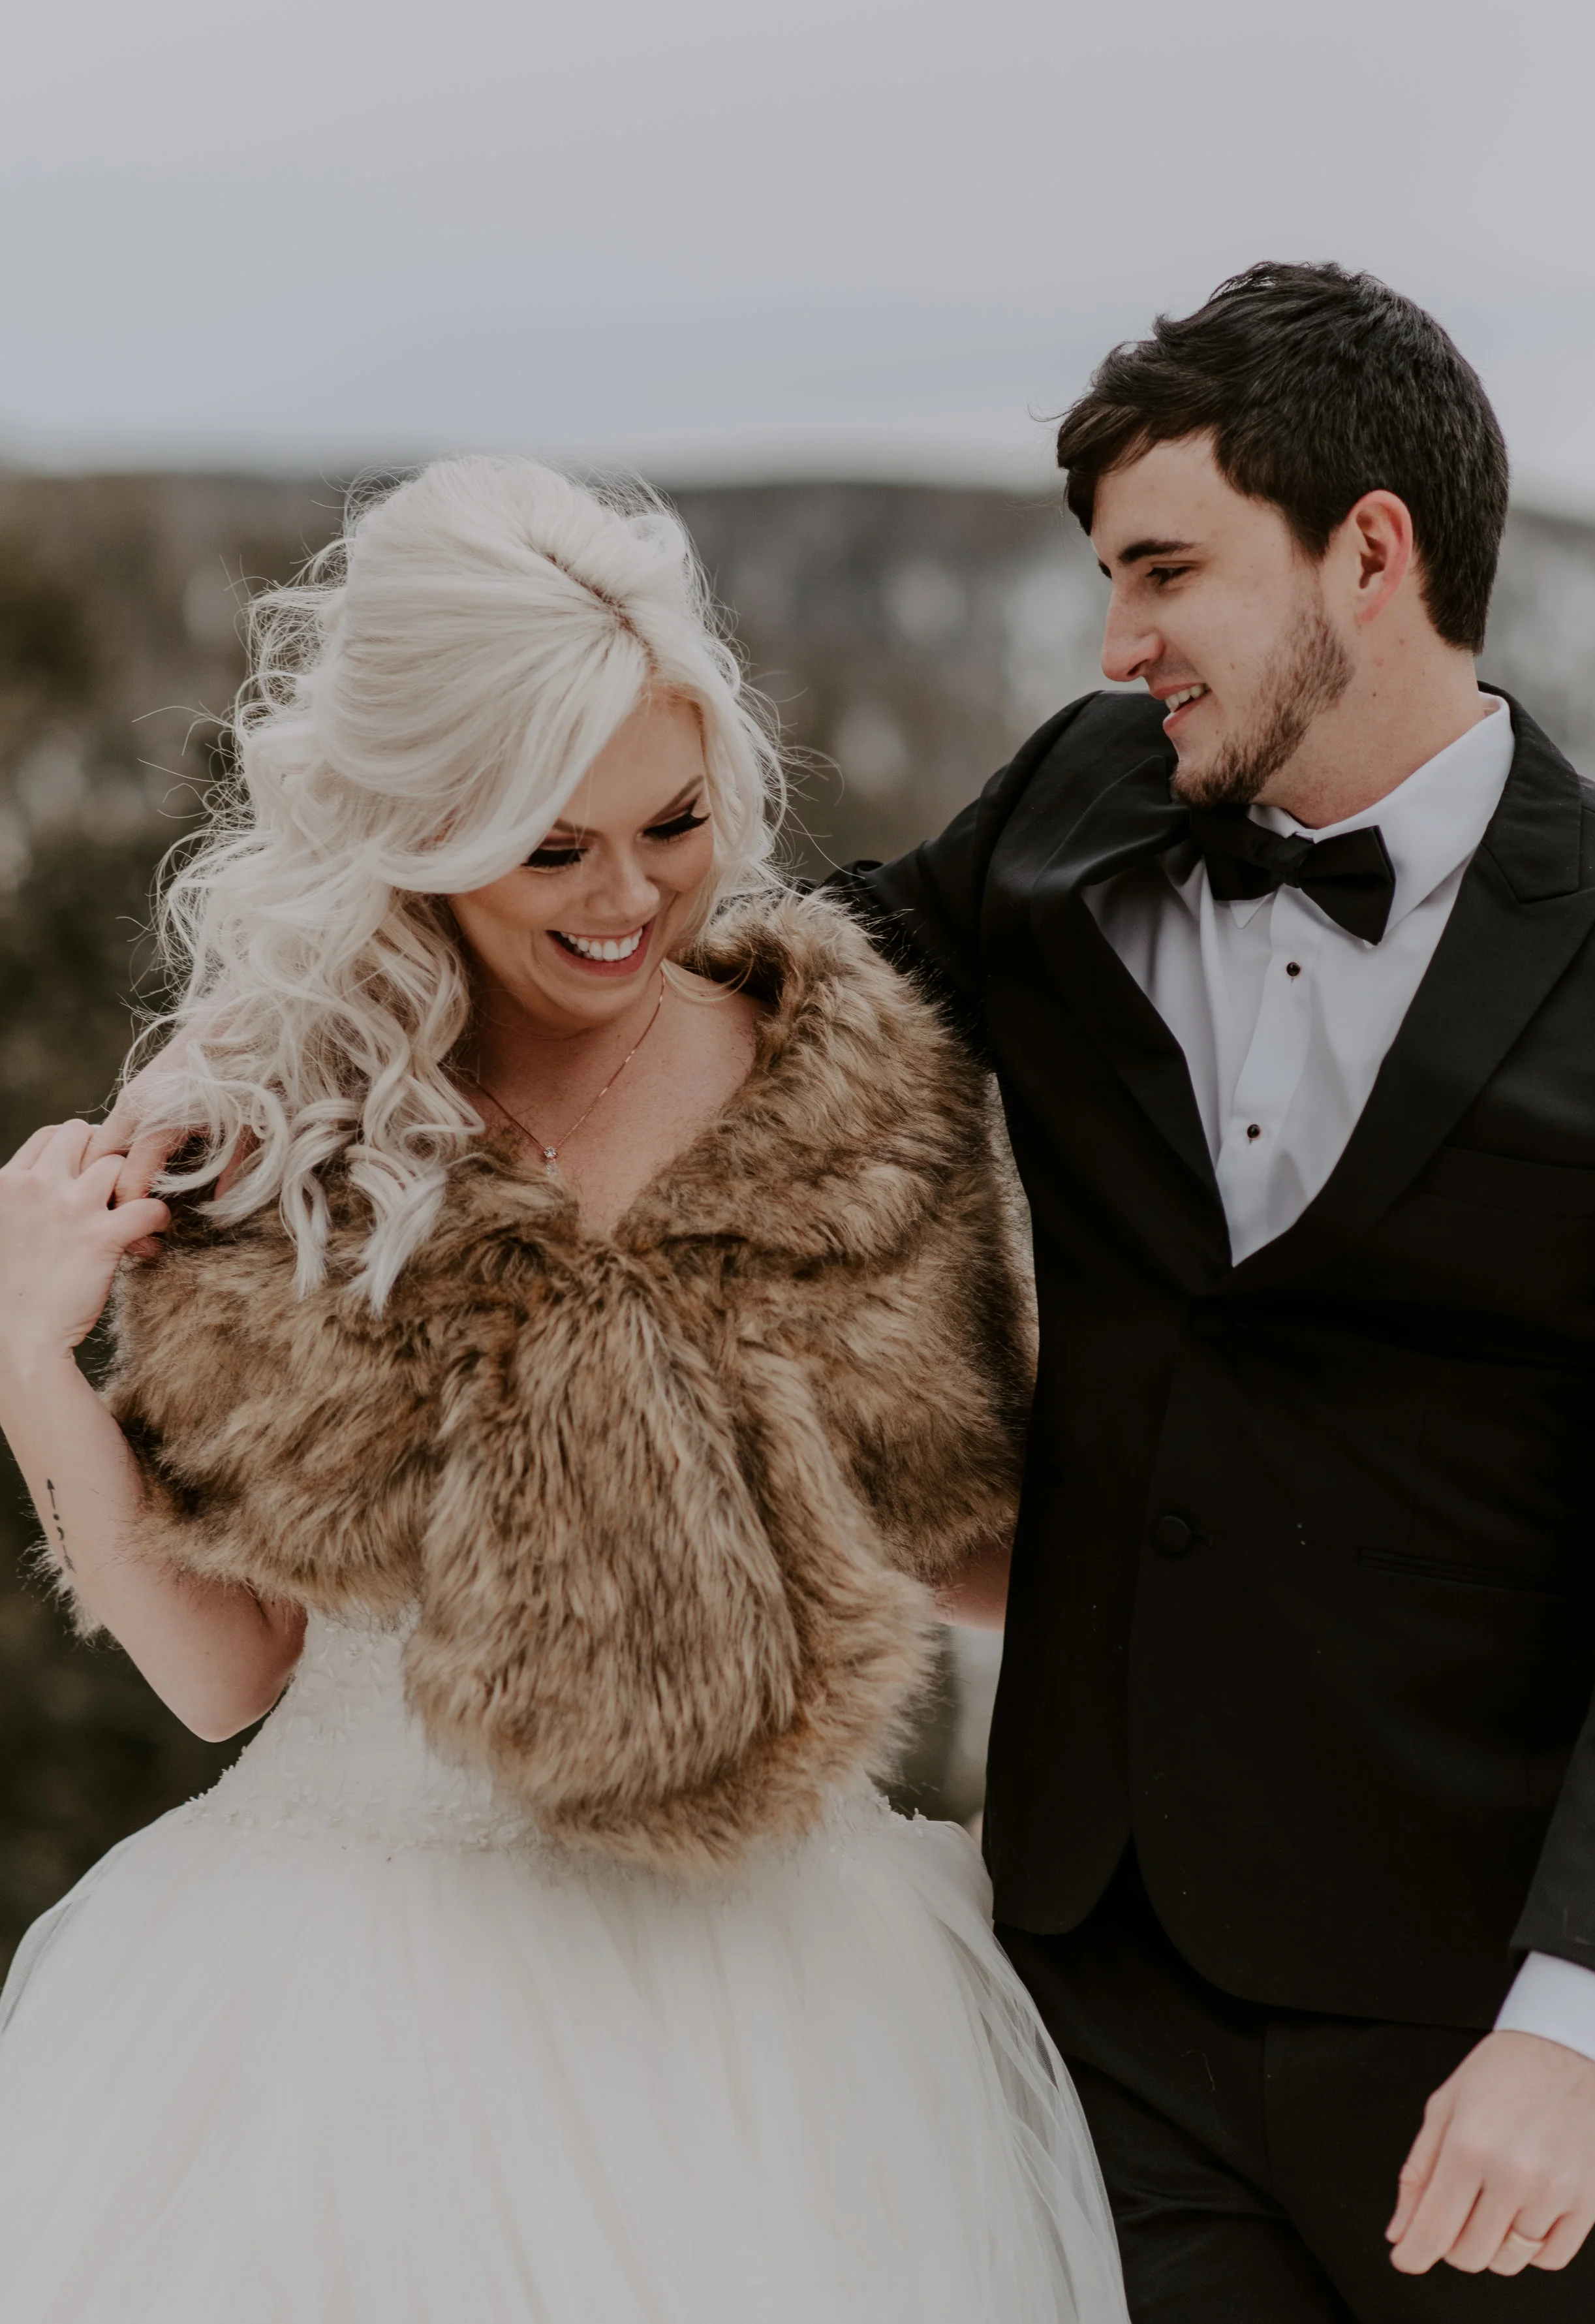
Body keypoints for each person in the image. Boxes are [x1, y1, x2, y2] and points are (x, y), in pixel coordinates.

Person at [0, 460, 1128, 2323]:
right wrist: (34, 1370)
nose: (632, 900)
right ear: (414, 829)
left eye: (675, 822)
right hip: (335, 2025)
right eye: (552, 848)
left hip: (795, 2023)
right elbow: (224, 1675)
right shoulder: (258, 1125)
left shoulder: (851, 1096)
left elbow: (977, 1549)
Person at [828, 264, 1595, 2320]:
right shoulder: (1068, 812)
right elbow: (765, 1005)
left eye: (1165, 571)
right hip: (1103, 1986)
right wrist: (345, 1017)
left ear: (1368, 551)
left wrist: (1588, 2015)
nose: (1118, 645)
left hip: (1485, 2036)